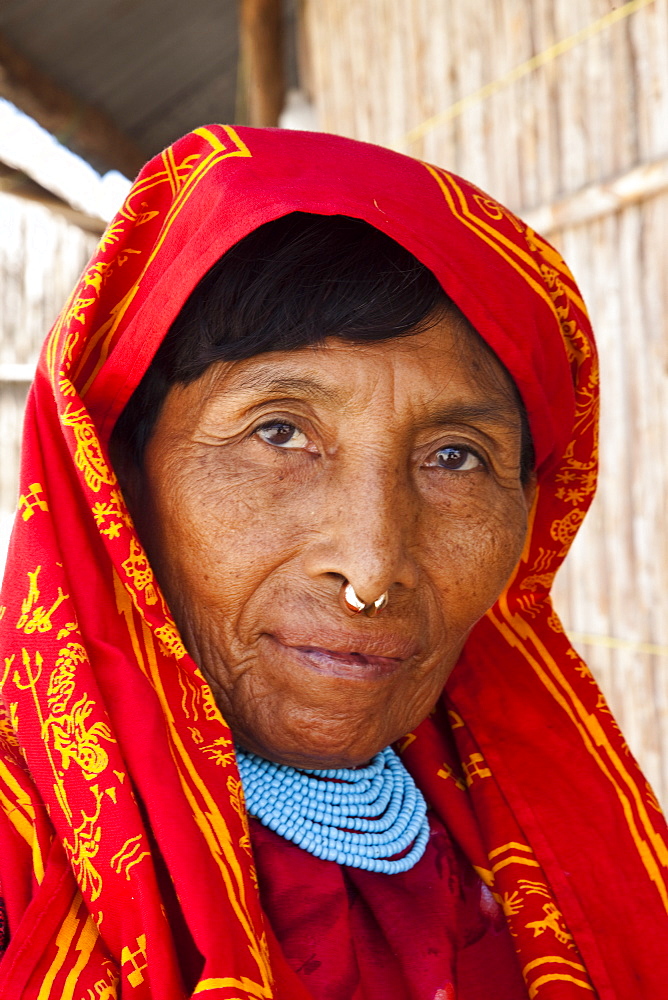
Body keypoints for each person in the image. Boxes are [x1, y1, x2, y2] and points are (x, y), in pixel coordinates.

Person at [0, 124, 665, 999]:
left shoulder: (556, 844)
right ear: (114, 471)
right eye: (278, 433)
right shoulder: (25, 860)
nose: (372, 567)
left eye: (455, 457)